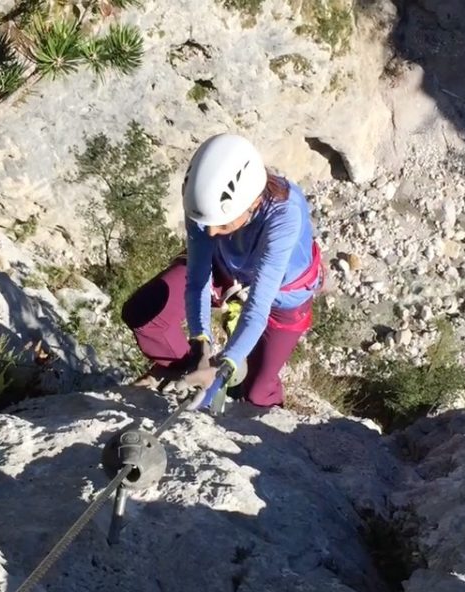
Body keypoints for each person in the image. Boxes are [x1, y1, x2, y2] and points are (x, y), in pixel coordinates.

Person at [121, 133, 324, 408]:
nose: (212, 232)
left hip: (283, 294)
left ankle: (257, 416)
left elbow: (257, 306)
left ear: (251, 203)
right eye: (208, 223)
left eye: (224, 225)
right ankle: (184, 373)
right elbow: (197, 280)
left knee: (258, 393)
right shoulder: (206, 204)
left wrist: (224, 366)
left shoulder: (284, 217)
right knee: (144, 313)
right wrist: (199, 345)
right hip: (226, 268)